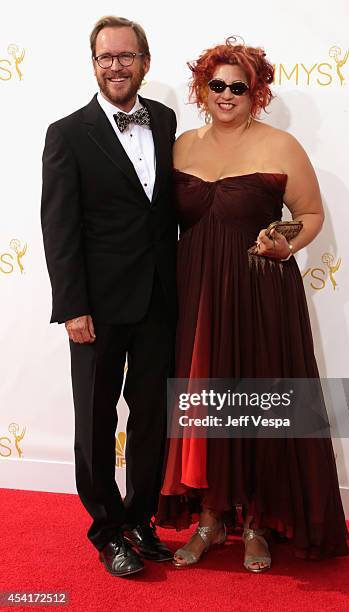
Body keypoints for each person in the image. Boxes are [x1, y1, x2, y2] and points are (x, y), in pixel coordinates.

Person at [156, 37, 349, 571]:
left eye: (238, 87)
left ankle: (257, 523)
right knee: (204, 406)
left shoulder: (282, 145)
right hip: (194, 292)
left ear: (256, 93)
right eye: (216, 84)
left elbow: (310, 215)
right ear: (202, 87)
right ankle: (210, 520)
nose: (226, 94)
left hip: (260, 292)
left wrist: (287, 244)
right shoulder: (179, 146)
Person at [41, 16, 177, 577]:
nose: (116, 66)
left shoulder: (166, 121)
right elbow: (59, 227)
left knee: (152, 417)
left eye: (126, 56)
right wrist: (72, 306)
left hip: (159, 300)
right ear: (93, 65)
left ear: (145, 62)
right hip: (95, 307)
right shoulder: (67, 133)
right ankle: (107, 529)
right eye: (105, 57)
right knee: (95, 419)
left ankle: (141, 519)